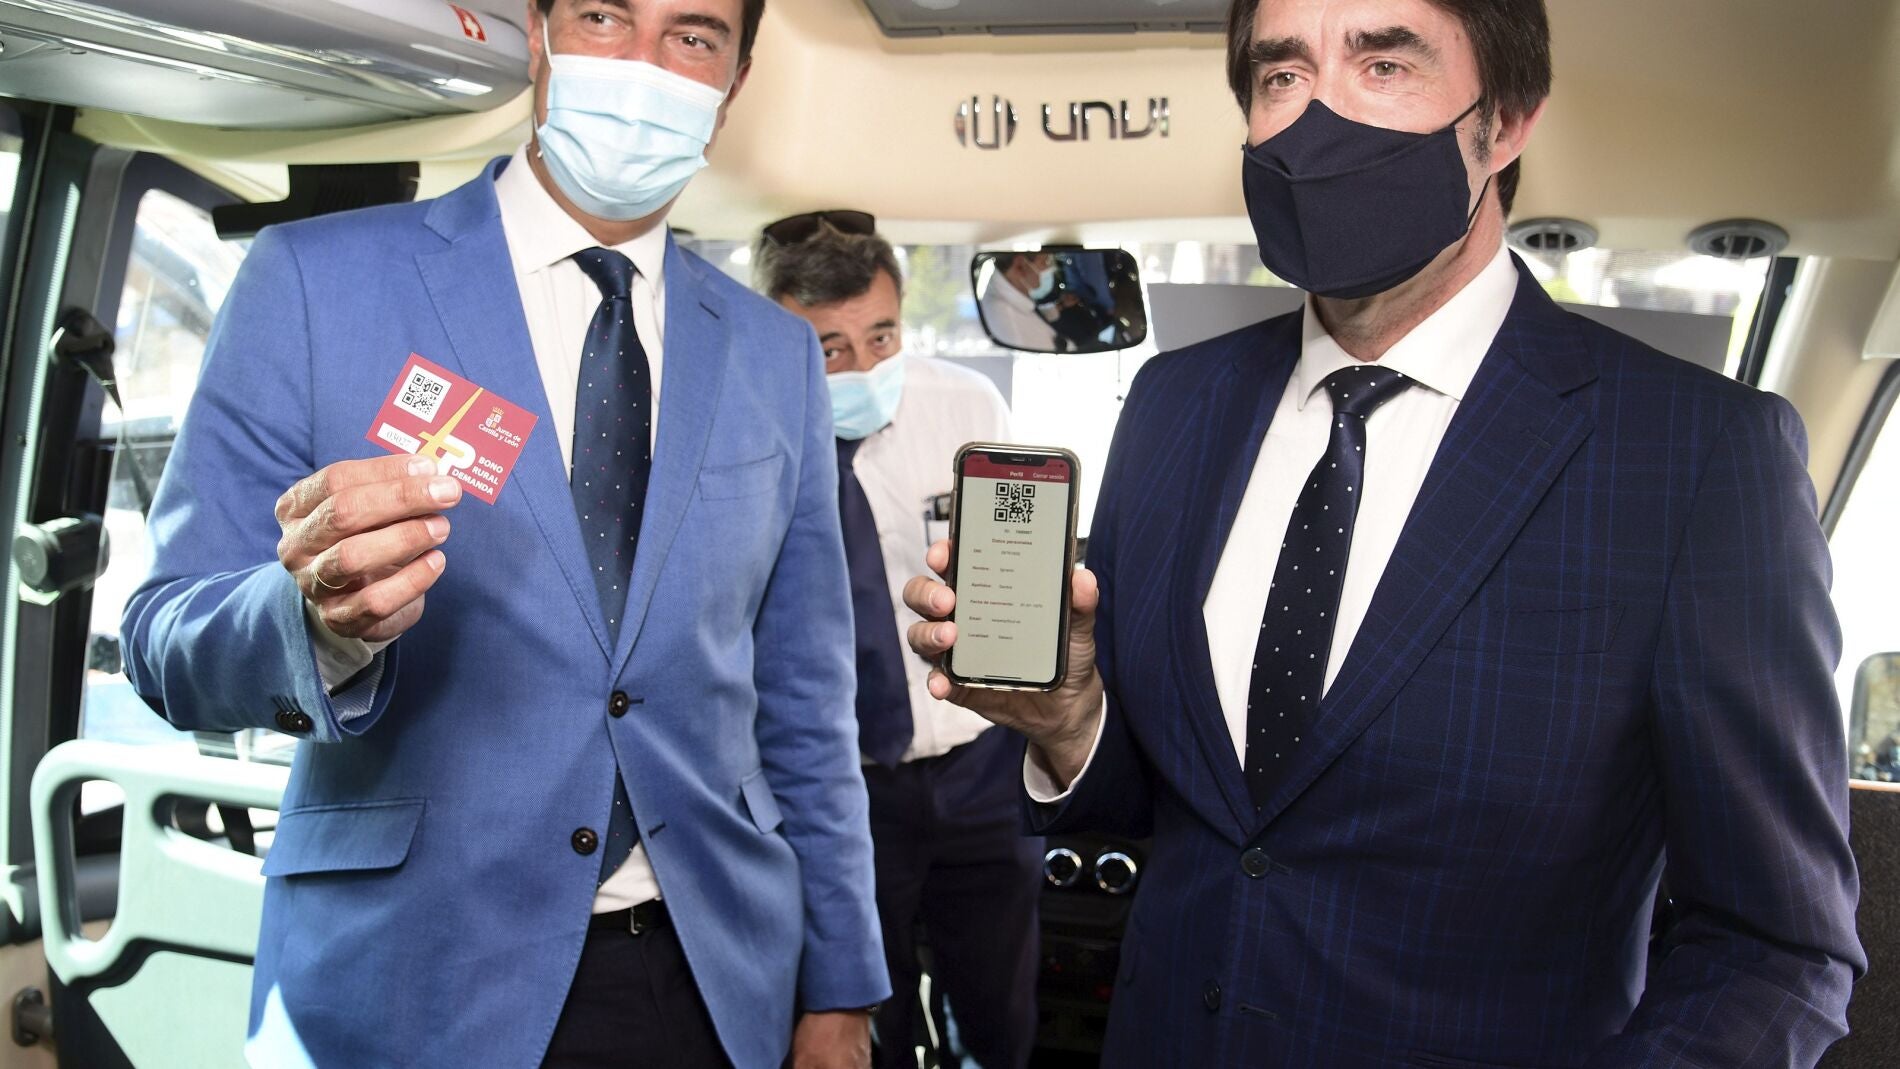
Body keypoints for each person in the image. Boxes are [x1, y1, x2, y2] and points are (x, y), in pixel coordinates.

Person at [904, 0, 1864, 1065]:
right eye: (1282, 76)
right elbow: (1196, 811)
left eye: (1383, 65)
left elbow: (1776, 949)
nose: (1318, 118)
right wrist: (1070, 717)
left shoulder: (1697, 455)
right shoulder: (1175, 404)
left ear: (1504, 121)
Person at [119, 2, 887, 1067]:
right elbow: (163, 636)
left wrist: (842, 983)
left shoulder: (773, 352)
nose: (644, 67)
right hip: (414, 972)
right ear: (539, 31)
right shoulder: (314, 282)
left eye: (692, 36)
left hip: (712, 977)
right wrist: (315, 624)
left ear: (734, 82)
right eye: (605, 16)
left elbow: (806, 699)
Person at [755, 213, 1040, 1069]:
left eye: (881, 336)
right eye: (831, 348)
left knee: (998, 1015)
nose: (864, 366)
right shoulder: (747, 431)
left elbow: (1023, 582)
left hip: (981, 765)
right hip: (838, 789)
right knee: (865, 1023)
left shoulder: (968, 406)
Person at [977, 252, 1062, 351]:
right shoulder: (1010, 324)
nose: (1050, 268)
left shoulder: (1006, 299)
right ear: (1020, 265)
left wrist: (1060, 305)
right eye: (1044, 262)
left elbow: (1032, 314)